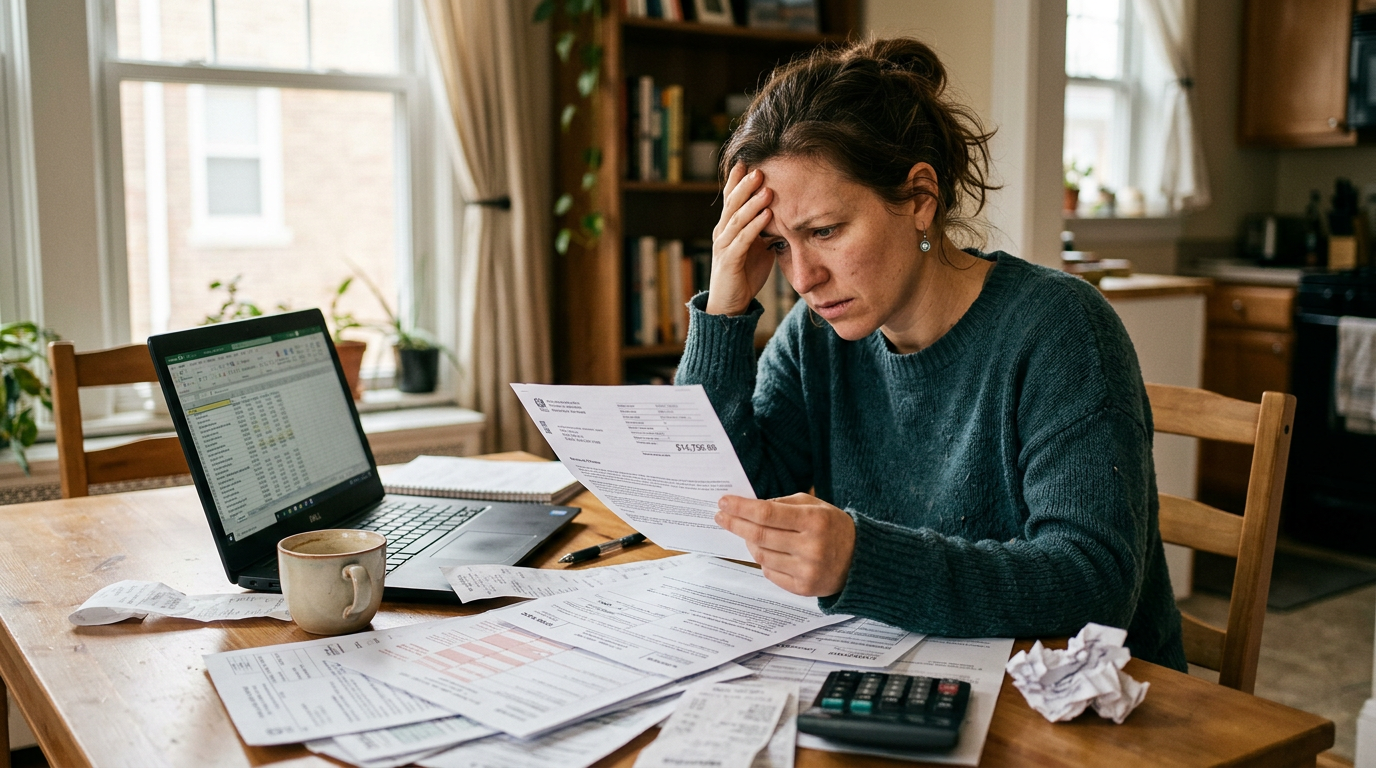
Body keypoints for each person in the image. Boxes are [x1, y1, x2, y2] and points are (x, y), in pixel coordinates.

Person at [675, 37, 1187, 670]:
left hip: (1079, 707)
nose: (802, 278)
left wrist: (861, 560)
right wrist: (723, 312)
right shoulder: (817, 335)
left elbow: (1093, 583)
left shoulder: (1060, 328)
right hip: (908, 669)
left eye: (825, 232)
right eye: (778, 245)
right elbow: (719, 501)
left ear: (920, 199)